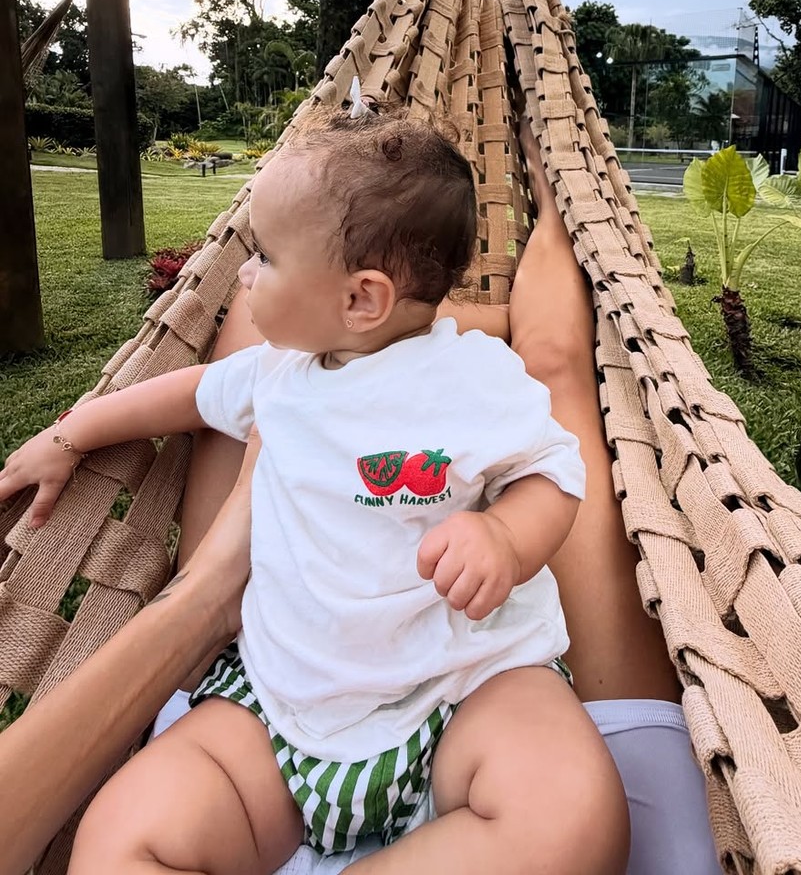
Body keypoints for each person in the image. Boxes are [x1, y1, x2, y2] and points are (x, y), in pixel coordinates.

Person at [0, 106, 627, 875]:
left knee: (575, 813)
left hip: (460, 691)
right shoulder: (279, 372)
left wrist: (503, 536)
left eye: (263, 255)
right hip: (278, 704)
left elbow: (553, 474)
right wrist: (69, 435)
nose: (242, 272)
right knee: (122, 837)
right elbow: (187, 393)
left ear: (361, 300)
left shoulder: (470, 380)